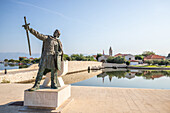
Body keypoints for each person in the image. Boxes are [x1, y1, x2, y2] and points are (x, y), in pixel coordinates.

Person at [23, 25, 63, 91]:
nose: (55, 33)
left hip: (53, 58)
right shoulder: (47, 38)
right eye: (55, 31)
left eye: (57, 32)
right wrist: (30, 29)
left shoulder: (58, 42)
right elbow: (38, 35)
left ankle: (54, 84)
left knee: (54, 71)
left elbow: (60, 51)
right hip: (45, 56)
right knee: (41, 71)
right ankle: (36, 85)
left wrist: (58, 53)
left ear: (58, 35)